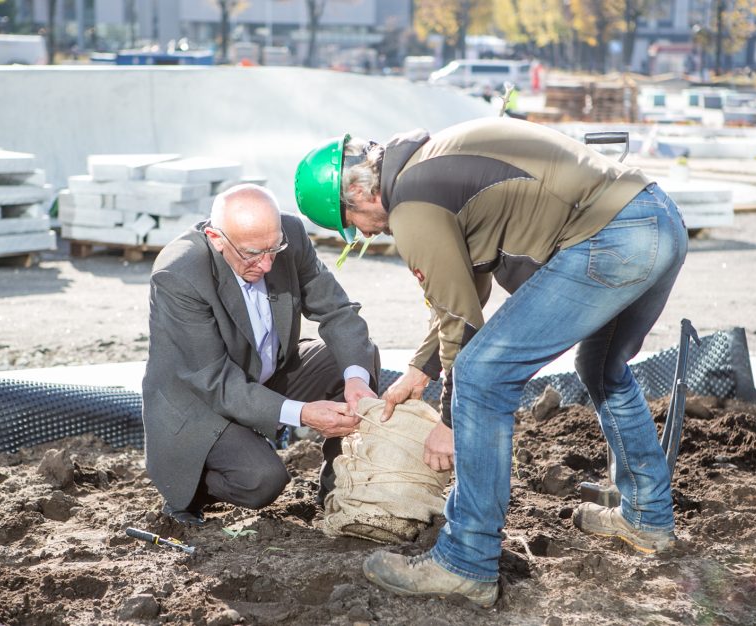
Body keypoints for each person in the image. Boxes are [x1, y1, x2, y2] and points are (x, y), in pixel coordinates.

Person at [294, 117, 688, 607]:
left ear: (359, 194)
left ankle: (467, 560)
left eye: (349, 222)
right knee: (603, 368)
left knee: (483, 376)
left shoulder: (412, 206)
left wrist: (450, 421)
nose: (360, 232)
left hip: (612, 239)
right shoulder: (431, 164)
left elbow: (462, 319)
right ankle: (648, 516)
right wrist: (422, 368)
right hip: (657, 219)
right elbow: (465, 288)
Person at [142, 184, 379, 526]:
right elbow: (215, 381)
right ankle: (192, 481)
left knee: (356, 357)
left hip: (264, 373)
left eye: (274, 249)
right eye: (253, 254)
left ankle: (340, 488)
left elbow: (338, 312)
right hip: (201, 399)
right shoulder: (179, 273)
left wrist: (356, 380)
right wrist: (303, 414)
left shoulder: (289, 235)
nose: (268, 265)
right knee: (262, 481)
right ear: (216, 237)